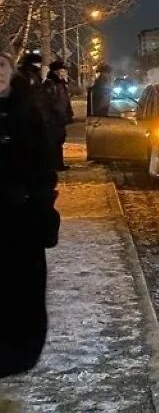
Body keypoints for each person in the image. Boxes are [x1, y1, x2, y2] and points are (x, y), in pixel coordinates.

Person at [0, 48, 59, 379]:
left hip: (24, 217)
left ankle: (20, 354)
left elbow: (44, 163)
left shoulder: (29, 109)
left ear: (11, 70)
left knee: (24, 289)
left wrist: (41, 203)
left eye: (1, 65)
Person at [42, 61, 73, 171]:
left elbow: (65, 101)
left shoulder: (61, 84)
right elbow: (50, 102)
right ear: (56, 72)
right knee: (54, 143)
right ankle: (53, 165)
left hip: (60, 119)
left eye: (65, 71)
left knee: (59, 142)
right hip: (53, 120)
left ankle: (58, 164)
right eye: (62, 71)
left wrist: (69, 114)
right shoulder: (50, 84)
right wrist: (58, 114)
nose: (64, 73)